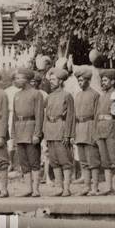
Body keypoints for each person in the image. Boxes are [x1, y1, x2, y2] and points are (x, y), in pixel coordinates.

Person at [9, 67, 44, 197]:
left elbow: (39, 115)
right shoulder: (16, 95)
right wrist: (13, 134)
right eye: (16, 78)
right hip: (19, 131)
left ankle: (36, 189)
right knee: (23, 161)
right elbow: (14, 117)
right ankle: (28, 188)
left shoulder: (36, 94)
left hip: (31, 129)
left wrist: (37, 133)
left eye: (19, 78)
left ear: (27, 79)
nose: (16, 81)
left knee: (34, 160)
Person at [41, 68, 75, 196]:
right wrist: (44, 133)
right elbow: (45, 116)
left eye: (53, 79)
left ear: (61, 81)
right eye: (50, 80)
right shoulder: (49, 97)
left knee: (64, 159)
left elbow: (70, 116)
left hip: (61, 128)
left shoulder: (67, 96)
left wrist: (68, 135)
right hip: (50, 130)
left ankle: (66, 188)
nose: (51, 82)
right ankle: (59, 188)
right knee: (54, 160)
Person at [72, 66, 103, 196]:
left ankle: (95, 187)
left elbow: (97, 115)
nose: (80, 83)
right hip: (80, 128)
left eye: (82, 80)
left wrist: (96, 133)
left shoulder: (95, 95)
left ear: (88, 80)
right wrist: (73, 133)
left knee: (93, 160)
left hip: (90, 127)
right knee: (83, 160)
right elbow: (74, 116)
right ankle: (86, 186)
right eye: (78, 81)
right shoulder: (77, 95)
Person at [94, 69, 115, 196]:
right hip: (101, 129)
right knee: (105, 160)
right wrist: (95, 132)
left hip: (111, 128)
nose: (103, 82)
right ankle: (108, 187)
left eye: (105, 80)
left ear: (112, 81)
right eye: (102, 80)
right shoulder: (101, 96)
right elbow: (96, 115)